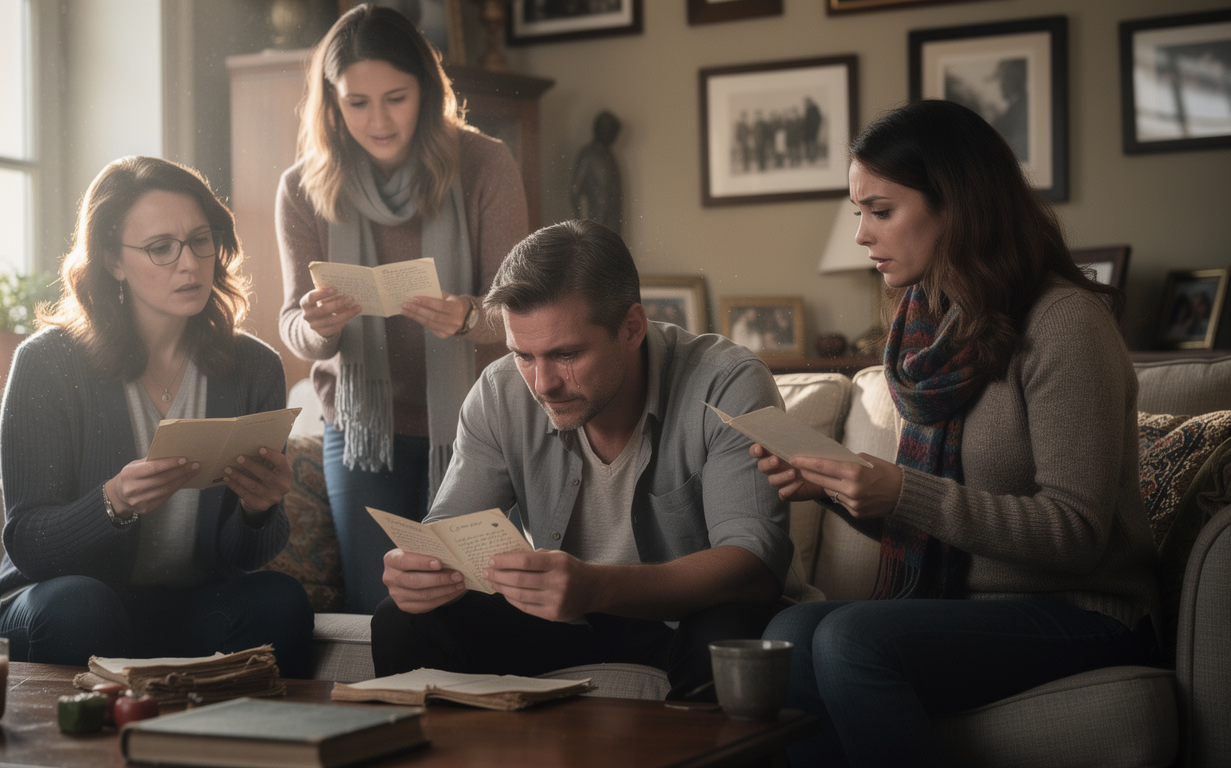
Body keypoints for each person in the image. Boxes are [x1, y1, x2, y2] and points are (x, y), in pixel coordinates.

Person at [751, 100, 1158, 766]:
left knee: (853, 639)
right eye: (859, 213)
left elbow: (1076, 535)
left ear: (958, 206)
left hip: (1085, 612)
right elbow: (941, 524)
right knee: (789, 632)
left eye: (881, 211)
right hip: (960, 607)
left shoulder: (1065, 324)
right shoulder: (931, 326)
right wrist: (837, 488)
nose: (861, 235)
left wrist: (902, 492)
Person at [371, 219, 795, 701]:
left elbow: (754, 563)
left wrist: (597, 586)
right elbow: (450, 534)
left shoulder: (726, 381)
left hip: (687, 618)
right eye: (524, 355)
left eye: (566, 354)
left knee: (728, 635)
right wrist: (421, 572)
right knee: (402, 620)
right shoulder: (499, 391)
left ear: (632, 327)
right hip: (567, 619)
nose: (543, 384)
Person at [0, 156, 314, 677]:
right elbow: (28, 542)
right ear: (113, 261)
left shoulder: (255, 367)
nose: (189, 263)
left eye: (200, 240)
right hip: (60, 600)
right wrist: (113, 502)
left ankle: (245, 744)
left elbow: (242, 559)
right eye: (161, 248)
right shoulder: (47, 363)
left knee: (280, 601)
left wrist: (259, 510)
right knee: (80, 607)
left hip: (186, 605)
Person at [276, 4, 528, 614]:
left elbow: (522, 312)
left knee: (470, 608)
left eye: (396, 97)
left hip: (476, 427)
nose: (379, 120)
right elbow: (291, 325)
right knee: (380, 614)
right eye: (357, 103)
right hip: (363, 433)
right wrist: (317, 326)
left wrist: (470, 317)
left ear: (427, 89)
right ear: (331, 103)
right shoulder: (303, 186)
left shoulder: (485, 164)